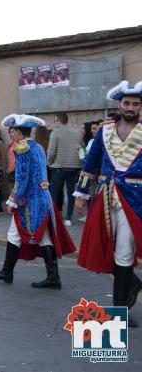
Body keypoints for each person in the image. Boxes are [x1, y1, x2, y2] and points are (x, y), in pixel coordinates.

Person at [74, 81, 142, 328]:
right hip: (103, 197)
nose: (130, 107)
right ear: (119, 104)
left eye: (136, 103)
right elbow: (91, 164)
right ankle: (132, 283)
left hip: (134, 201)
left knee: (124, 253)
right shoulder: (104, 130)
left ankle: (119, 311)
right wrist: (81, 194)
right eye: (127, 103)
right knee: (103, 248)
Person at [0, 114, 75, 289]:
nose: (11, 135)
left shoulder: (22, 148)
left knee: (35, 235)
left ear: (19, 132)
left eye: (12, 132)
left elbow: (23, 178)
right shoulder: (38, 146)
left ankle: (14, 272)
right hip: (42, 197)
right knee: (36, 235)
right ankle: (15, 272)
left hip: (30, 200)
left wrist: (13, 200)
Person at [47, 112, 83, 226]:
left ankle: (52, 217)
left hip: (59, 167)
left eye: (54, 120)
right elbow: (82, 150)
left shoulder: (55, 133)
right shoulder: (77, 133)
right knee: (71, 192)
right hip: (74, 167)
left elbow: (51, 152)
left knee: (54, 192)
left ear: (58, 120)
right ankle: (68, 218)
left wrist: (49, 163)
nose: (54, 123)